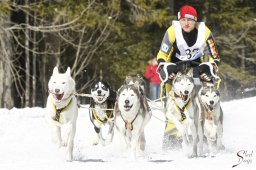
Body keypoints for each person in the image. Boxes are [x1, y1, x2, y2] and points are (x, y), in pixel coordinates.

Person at [156, 5, 220, 149]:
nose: (186, 23)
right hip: (176, 66)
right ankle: (172, 134)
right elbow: (162, 55)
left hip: (196, 67)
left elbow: (215, 57)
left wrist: (208, 67)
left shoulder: (205, 31)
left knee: (207, 90)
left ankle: (208, 129)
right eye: (183, 20)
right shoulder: (172, 31)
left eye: (190, 20)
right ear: (179, 20)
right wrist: (165, 68)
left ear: (195, 21)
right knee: (171, 94)